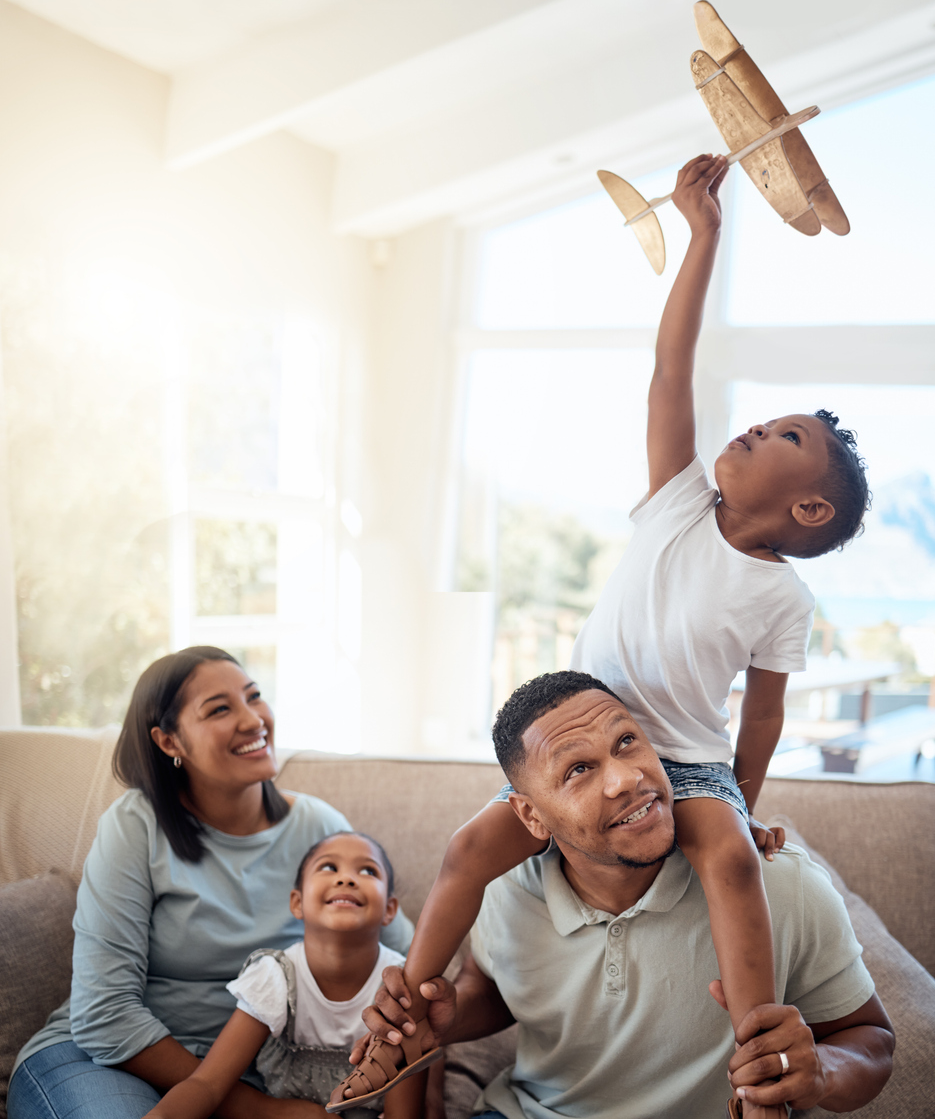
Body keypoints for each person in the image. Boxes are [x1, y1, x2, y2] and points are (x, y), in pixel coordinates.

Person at [328, 153, 871, 1117]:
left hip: (685, 768)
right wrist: (703, 236)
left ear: (810, 508)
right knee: (463, 851)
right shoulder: (672, 505)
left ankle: (756, 1080)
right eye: (765, 421)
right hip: (580, 742)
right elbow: (671, 368)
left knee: (735, 862)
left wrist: (742, 807)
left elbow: (762, 720)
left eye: (784, 439)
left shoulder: (782, 600)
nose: (753, 431)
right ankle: (396, 1013)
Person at [356, 673, 894, 1119]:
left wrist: (822, 1071)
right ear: (530, 815)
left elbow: (871, 1040)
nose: (626, 779)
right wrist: (453, 1015)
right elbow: (495, 989)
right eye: (579, 770)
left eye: (627, 743)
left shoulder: (779, 884)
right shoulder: (503, 886)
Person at [8, 646, 413, 1119]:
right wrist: (258, 1109)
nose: (253, 719)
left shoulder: (321, 830)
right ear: (169, 742)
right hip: (108, 1061)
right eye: (220, 709)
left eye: (254, 696)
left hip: (253, 1071)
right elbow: (104, 1013)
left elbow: (405, 964)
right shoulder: (136, 825)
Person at [142, 832, 429, 1119]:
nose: (346, 879)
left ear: (390, 910)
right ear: (297, 903)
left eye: (368, 871)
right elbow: (207, 1084)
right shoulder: (275, 976)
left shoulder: (401, 986)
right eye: (328, 867)